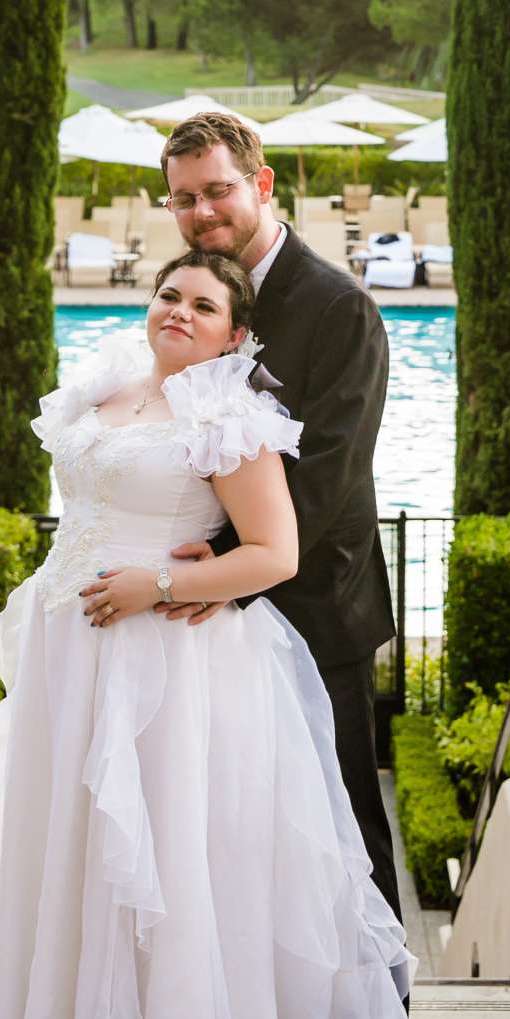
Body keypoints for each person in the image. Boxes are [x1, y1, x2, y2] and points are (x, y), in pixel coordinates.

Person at [0, 246, 433, 1019]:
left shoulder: (229, 415)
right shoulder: (107, 386)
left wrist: (162, 582)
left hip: (166, 666)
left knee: (167, 863)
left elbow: (274, 553)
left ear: (237, 332)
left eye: (204, 305)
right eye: (169, 295)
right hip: (70, 663)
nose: (179, 312)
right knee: (74, 859)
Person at [153, 115, 399, 934]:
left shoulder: (341, 308)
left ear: (261, 185)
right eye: (182, 198)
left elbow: (328, 472)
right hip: (214, 621)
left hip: (315, 610)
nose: (201, 212)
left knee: (341, 821)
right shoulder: (196, 291)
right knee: (240, 831)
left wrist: (220, 568)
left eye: (217, 190)